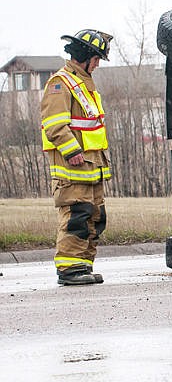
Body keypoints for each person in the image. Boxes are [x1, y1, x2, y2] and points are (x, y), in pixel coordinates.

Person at [40, 29, 113, 285]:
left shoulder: (85, 84)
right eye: (97, 58)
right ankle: (69, 269)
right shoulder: (60, 83)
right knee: (76, 216)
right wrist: (71, 151)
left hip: (92, 167)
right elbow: (54, 124)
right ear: (85, 56)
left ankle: (83, 265)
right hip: (72, 167)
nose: (98, 64)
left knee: (95, 217)